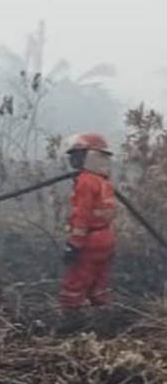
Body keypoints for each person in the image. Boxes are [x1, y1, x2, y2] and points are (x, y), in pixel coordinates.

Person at [59, 132, 116, 313]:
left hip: (89, 240)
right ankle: (102, 315)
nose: (74, 159)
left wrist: (74, 245)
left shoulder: (85, 181)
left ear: (90, 156)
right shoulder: (103, 181)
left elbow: (82, 216)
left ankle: (70, 316)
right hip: (105, 236)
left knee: (76, 279)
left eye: (78, 155)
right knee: (99, 278)